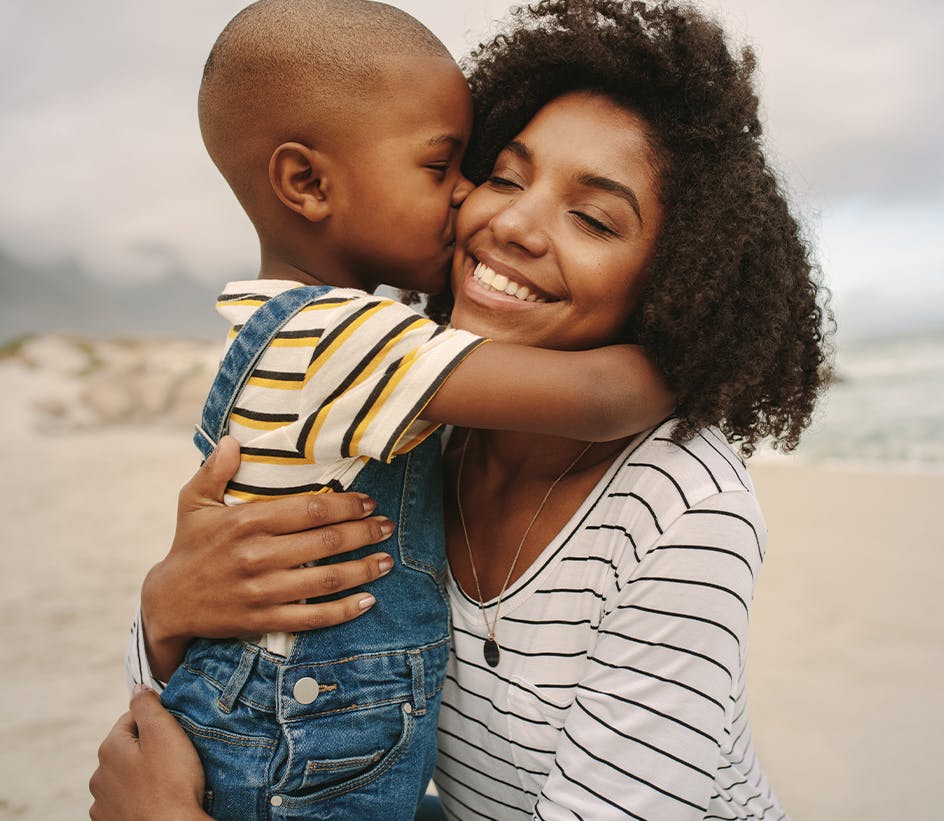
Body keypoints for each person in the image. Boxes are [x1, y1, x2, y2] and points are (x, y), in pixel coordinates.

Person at [91, 1, 832, 819]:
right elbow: (224, 687)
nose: (506, 220)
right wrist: (166, 612)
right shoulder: (404, 425)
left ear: (677, 281)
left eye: (591, 217)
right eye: (501, 175)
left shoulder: (681, 502)